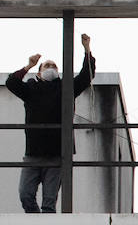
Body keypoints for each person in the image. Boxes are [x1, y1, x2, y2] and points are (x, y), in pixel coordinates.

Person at [6, 33, 95, 212]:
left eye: (54, 66)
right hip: (33, 153)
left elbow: (87, 75)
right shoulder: (31, 88)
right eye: (47, 65)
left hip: (57, 155)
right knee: (25, 195)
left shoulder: (66, 87)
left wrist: (87, 50)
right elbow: (12, 83)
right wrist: (28, 65)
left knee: (49, 202)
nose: (51, 67)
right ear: (39, 73)